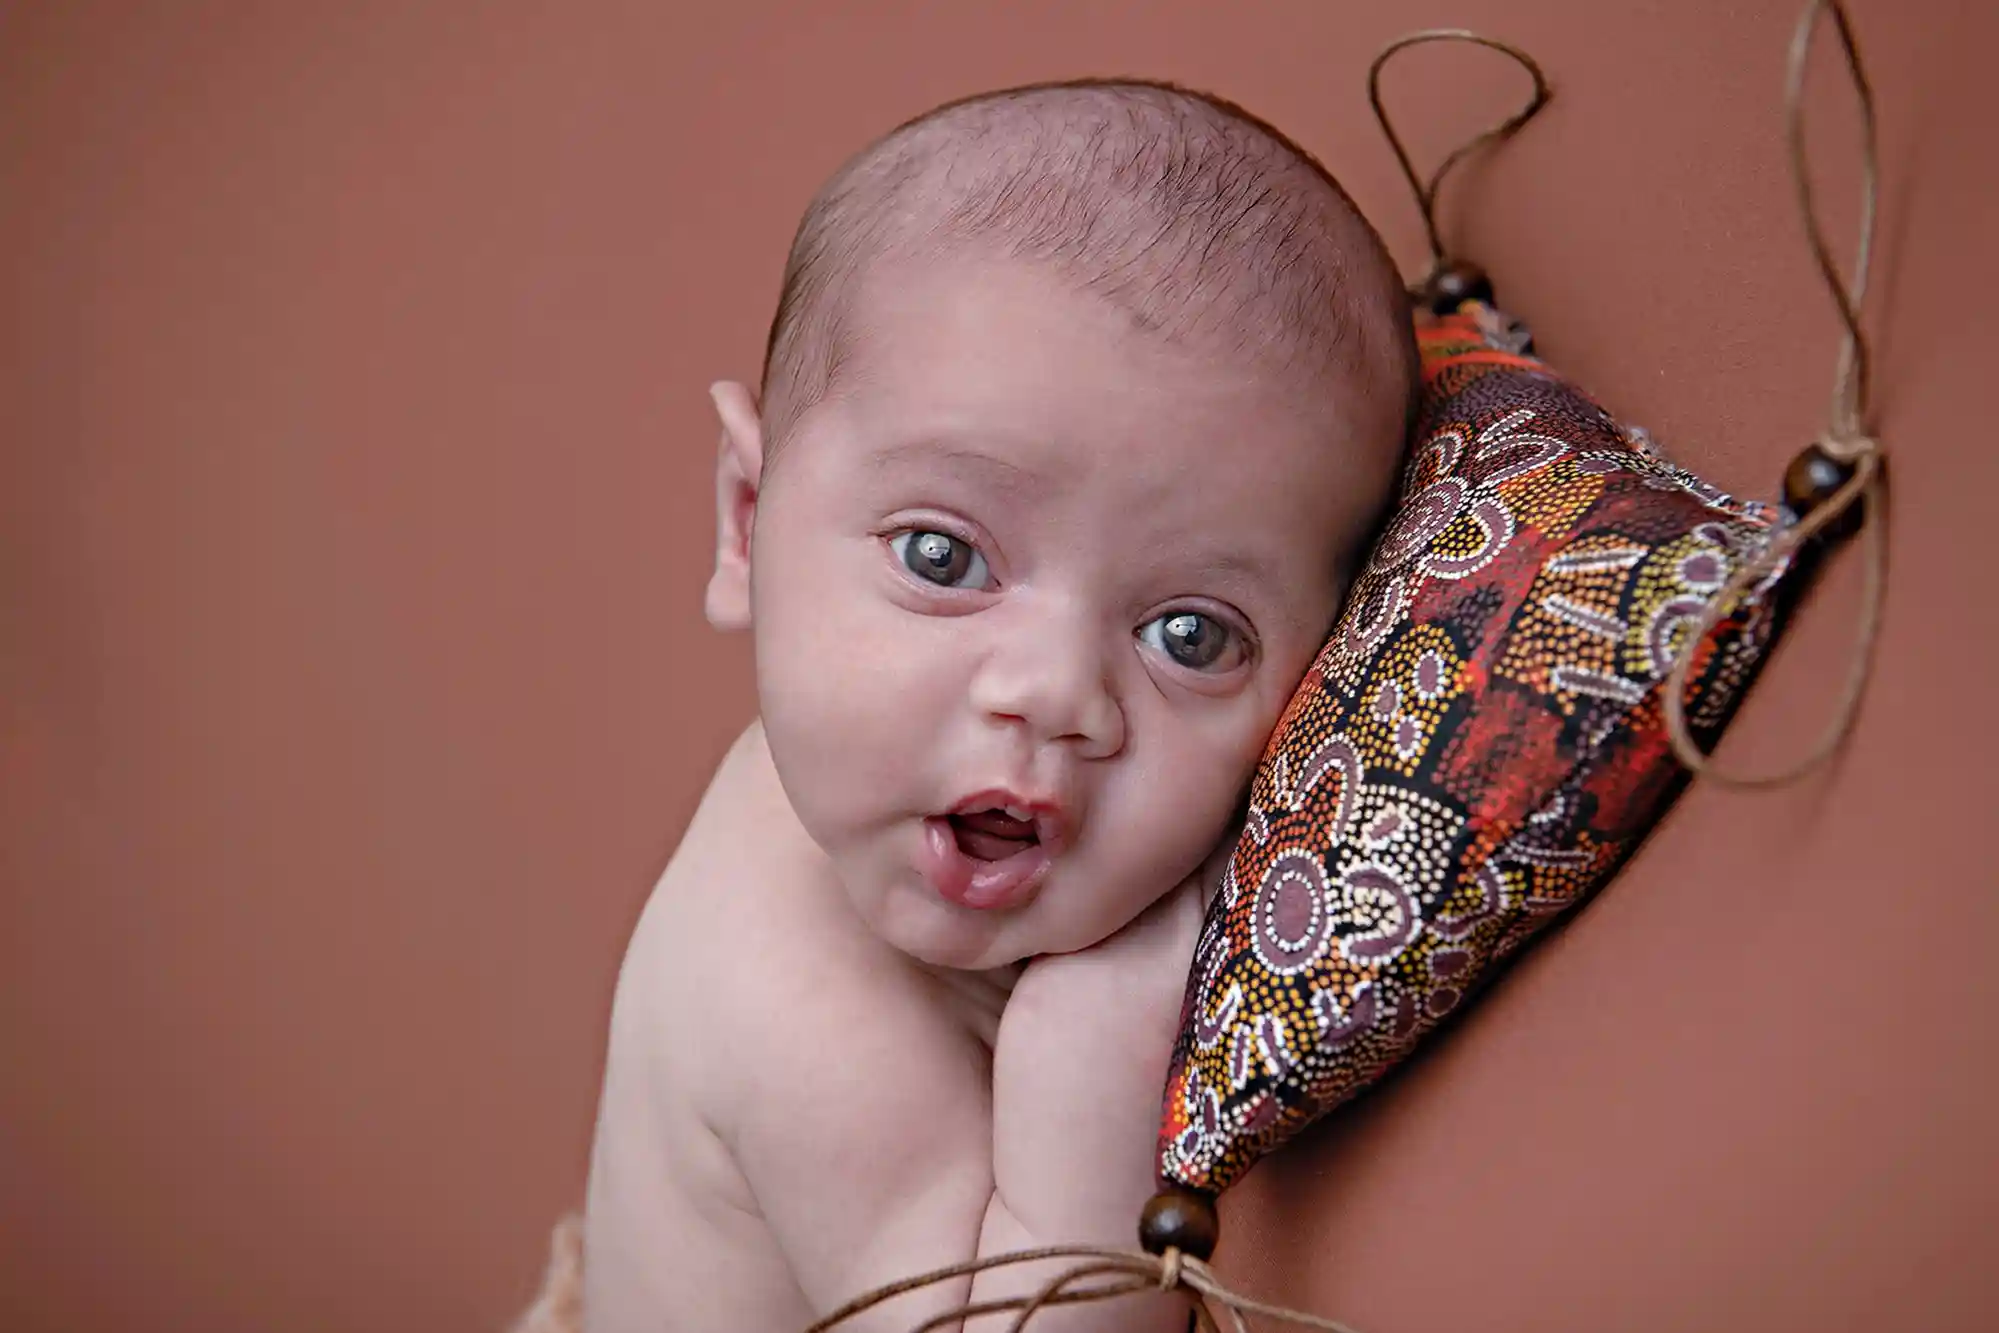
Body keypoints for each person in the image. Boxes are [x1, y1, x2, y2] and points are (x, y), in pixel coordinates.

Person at [576, 78, 1418, 1332]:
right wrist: (1098, 1051)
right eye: (942, 558)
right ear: (747, 523)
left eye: (1190, 635)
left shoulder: (876, 785)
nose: (1052, 696)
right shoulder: (789, 1005)